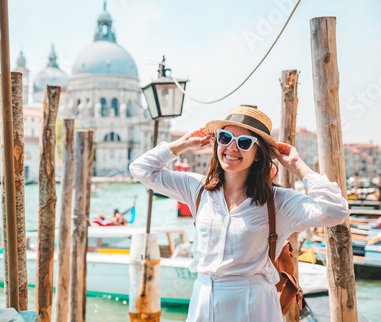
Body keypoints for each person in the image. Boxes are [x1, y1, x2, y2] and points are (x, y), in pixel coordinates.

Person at [129, 105, 350, 322]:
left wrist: (296, 165)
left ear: (258, 154)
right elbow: (141, 169)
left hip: (253, 304)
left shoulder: (278, 201)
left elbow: (335, 210)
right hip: (203, 298)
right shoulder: (197, 189)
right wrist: (181, 145)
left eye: (244, 143)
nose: (232, 148)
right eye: (225, 138)